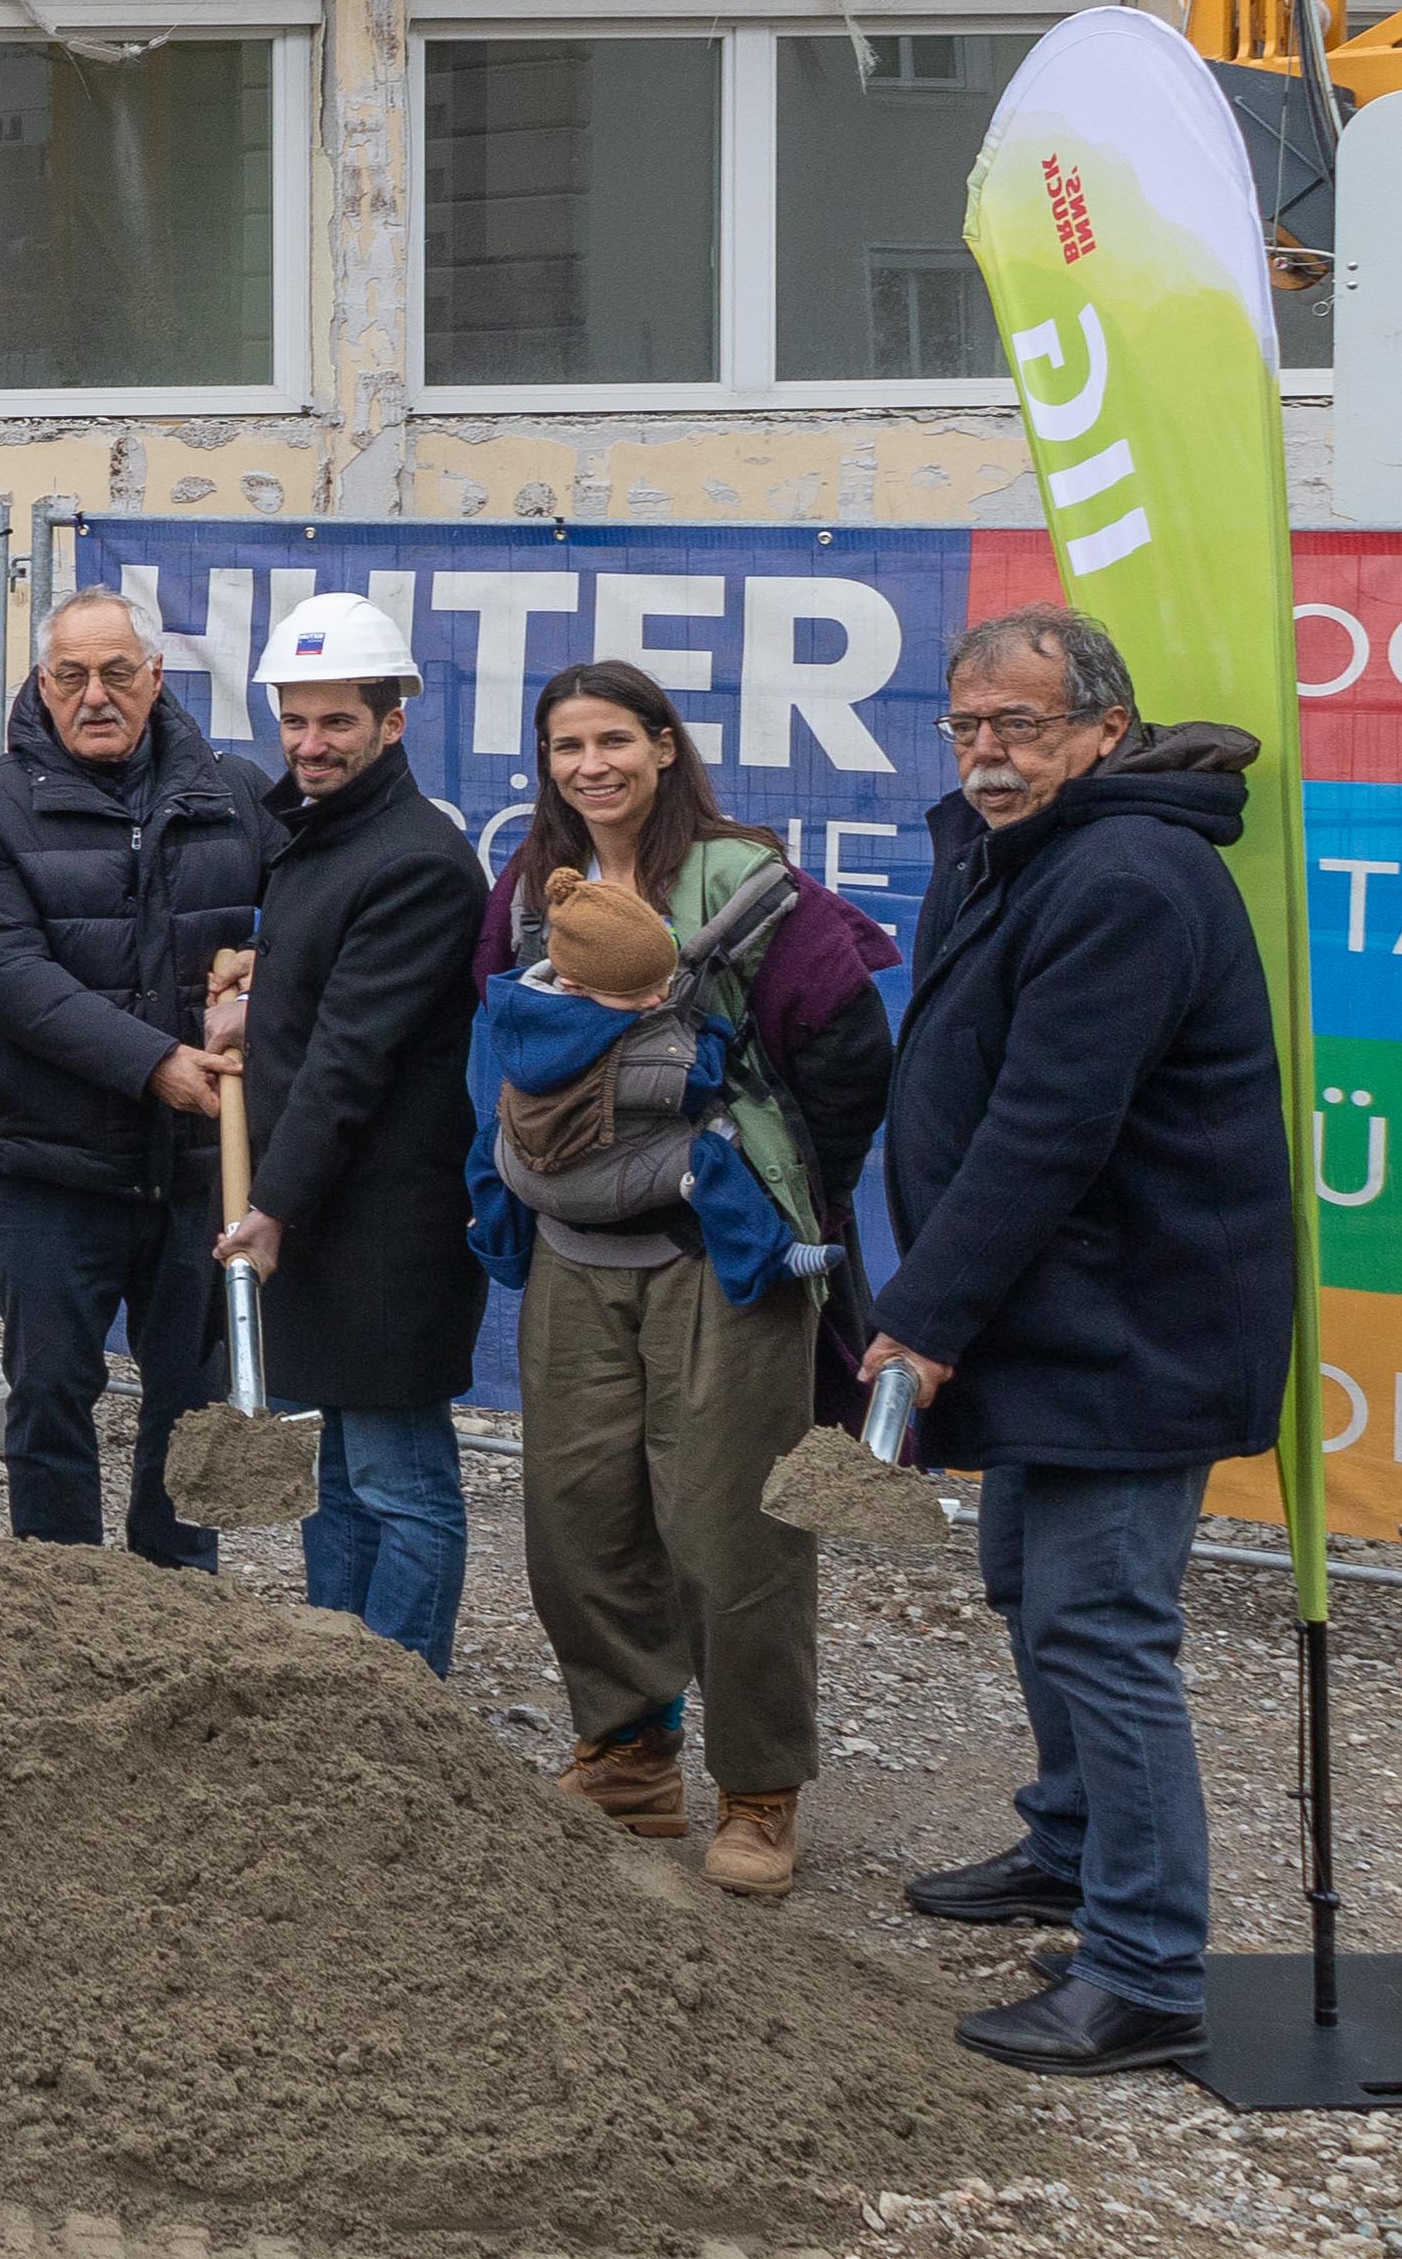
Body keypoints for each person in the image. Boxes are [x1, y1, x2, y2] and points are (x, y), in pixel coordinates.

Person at [866, 605, 1291, 2077]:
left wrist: (921, 1314)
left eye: (1023, 727)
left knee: (1103, 1631)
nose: (988, 752)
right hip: (1056, 1317)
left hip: (1136, 1327)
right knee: (1028, 1588)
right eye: (968, 724)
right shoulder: (1014, 852)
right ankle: (1071, 1850)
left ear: (1106, 730)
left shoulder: (1125, 874)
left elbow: (1050, 1129)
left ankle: (1149, 1967)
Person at [470, 655, 899, 1898]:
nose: (590, 767)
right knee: (578, 1513)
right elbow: (493, 1040)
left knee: (729, 1526)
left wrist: (779, 1184)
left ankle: (759, 1791)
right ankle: (628, 1753)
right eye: (566, 748)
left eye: (614, 740)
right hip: (573, 1250)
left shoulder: (748, 887)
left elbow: (849, 1043)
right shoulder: (527, 892)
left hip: (715, 1257)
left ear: (665, 746)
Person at [0, 588, 276, 1564]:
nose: (96, 694)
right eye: (73, 675)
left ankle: (176, 1605)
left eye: (118, 672)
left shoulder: (238, 795)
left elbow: (311, 921)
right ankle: (59, 1609)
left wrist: (266, 974)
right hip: (53, 1167)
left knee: (190, 1399)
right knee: (47, 1395)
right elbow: (8, 976)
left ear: (156, 679)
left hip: (201, 1171)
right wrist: (154, 1063)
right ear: (44, 685)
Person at [222, 591, 491, 1672]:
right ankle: (342, 1687)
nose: (311, 743)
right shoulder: (321, 836)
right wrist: (258, 997)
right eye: (295, 718)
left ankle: (409, 1705)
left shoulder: (417, 858)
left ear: (395, 721)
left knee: (399, 1477)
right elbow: (322, 1007)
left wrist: (271, 1205)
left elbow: (351, 1060)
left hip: (385, 1221)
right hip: (325, 1203)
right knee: (334, 1472)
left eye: (338, 721)